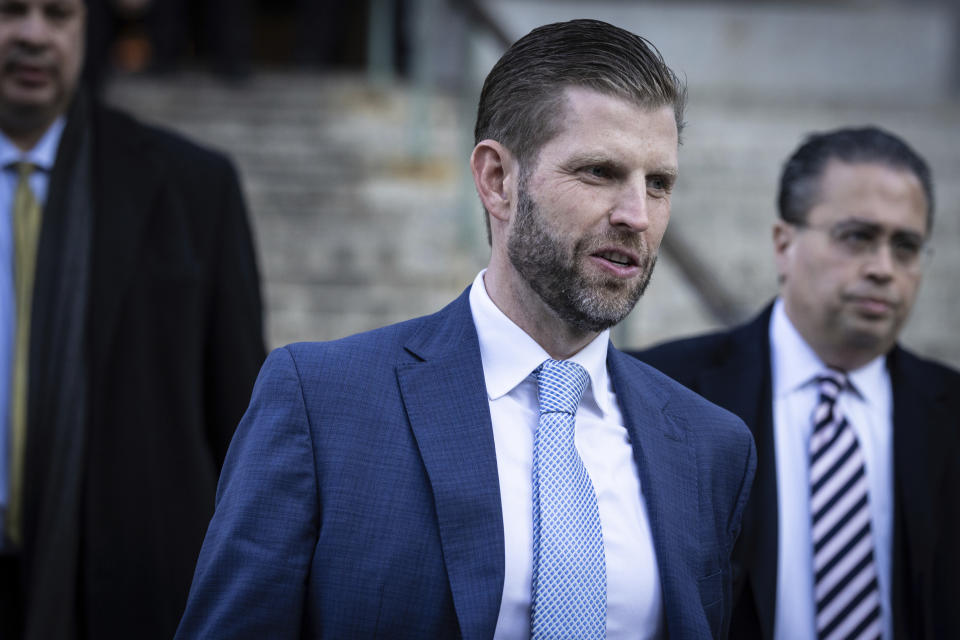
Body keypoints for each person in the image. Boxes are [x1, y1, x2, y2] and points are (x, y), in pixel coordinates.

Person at [176, 18, 756, 640]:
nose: (637, 215)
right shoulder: (322, 402)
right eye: (598, 172)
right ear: (497, 180)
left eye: (659, 183)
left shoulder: (711, 447)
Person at [0, 0, 265, 638]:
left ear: (85, 29)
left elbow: (240, 424)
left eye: (58, 14)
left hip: (125, 590)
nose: (35, 35)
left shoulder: (192, 188)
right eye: (11, 11)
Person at [634, 126, 960, 639]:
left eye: (906, 246)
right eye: (857, 237)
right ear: (784, 244)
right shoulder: (660, 393)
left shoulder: (950, 414)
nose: (883, 268)